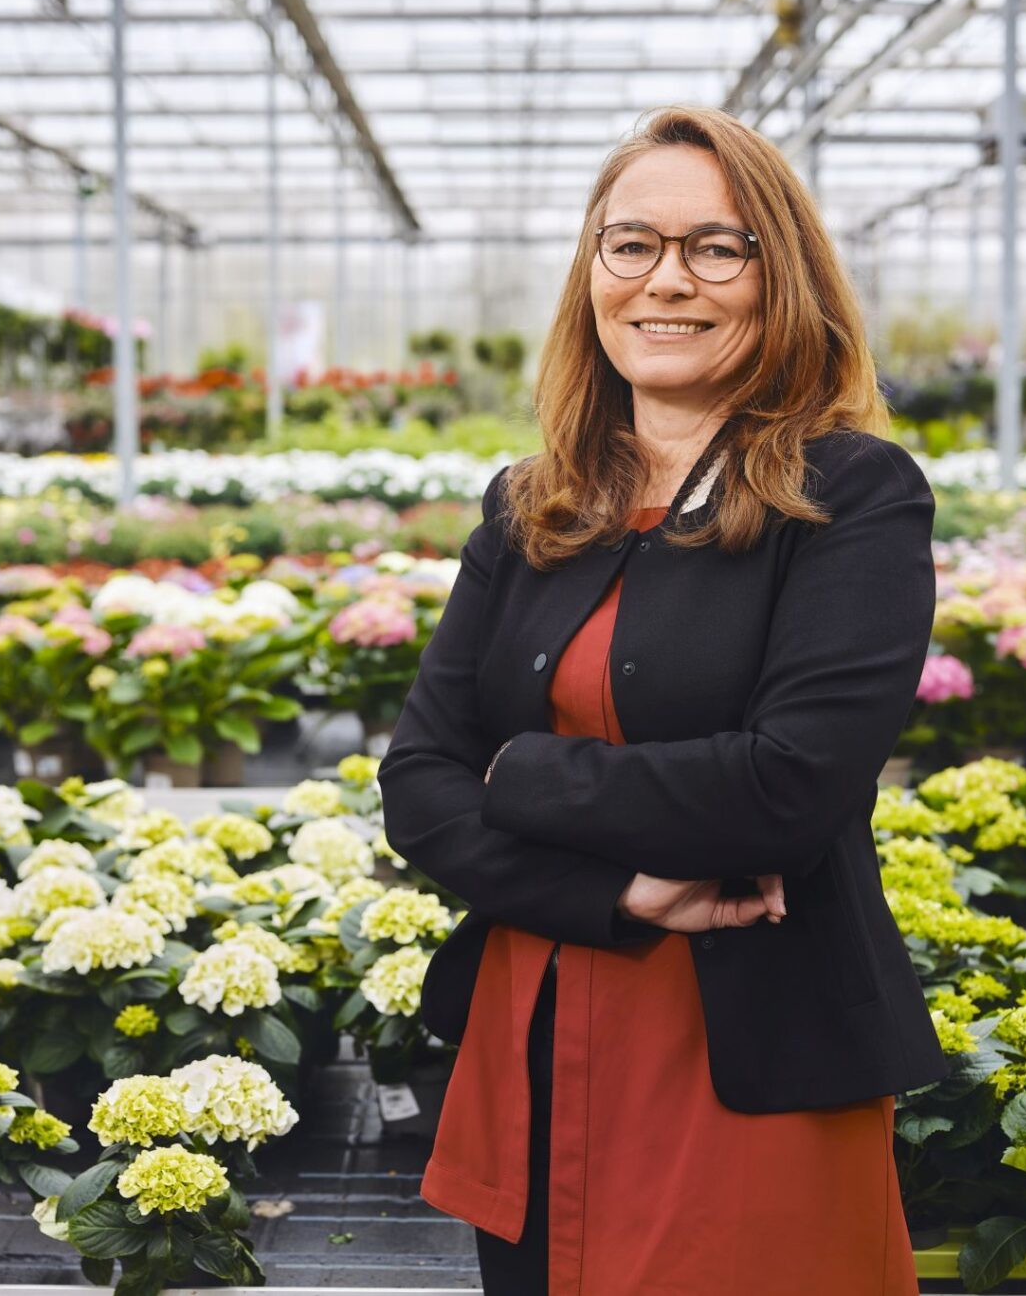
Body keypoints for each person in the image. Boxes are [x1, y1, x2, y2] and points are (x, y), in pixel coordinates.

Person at [376, 105, 949, 1295]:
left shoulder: (849, 494)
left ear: (776, 274)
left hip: (747, 1063)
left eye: (713, 248)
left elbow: (789, 785)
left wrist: (523, 775)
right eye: (628, 244)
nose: (663, 282)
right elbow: (418, 784)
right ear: (592, 271)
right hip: (530, 1041)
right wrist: (618, 890)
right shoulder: (533, 501)